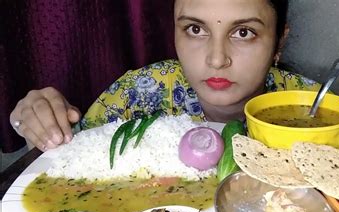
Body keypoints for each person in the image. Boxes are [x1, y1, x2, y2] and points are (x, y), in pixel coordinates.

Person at [10, 0, 320, 152]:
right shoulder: (135, 94)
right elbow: (71, 156)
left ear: (279, 41)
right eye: (195, 29)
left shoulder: (319, 111)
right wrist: (40, 122)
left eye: (243, 32)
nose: (216, 59)